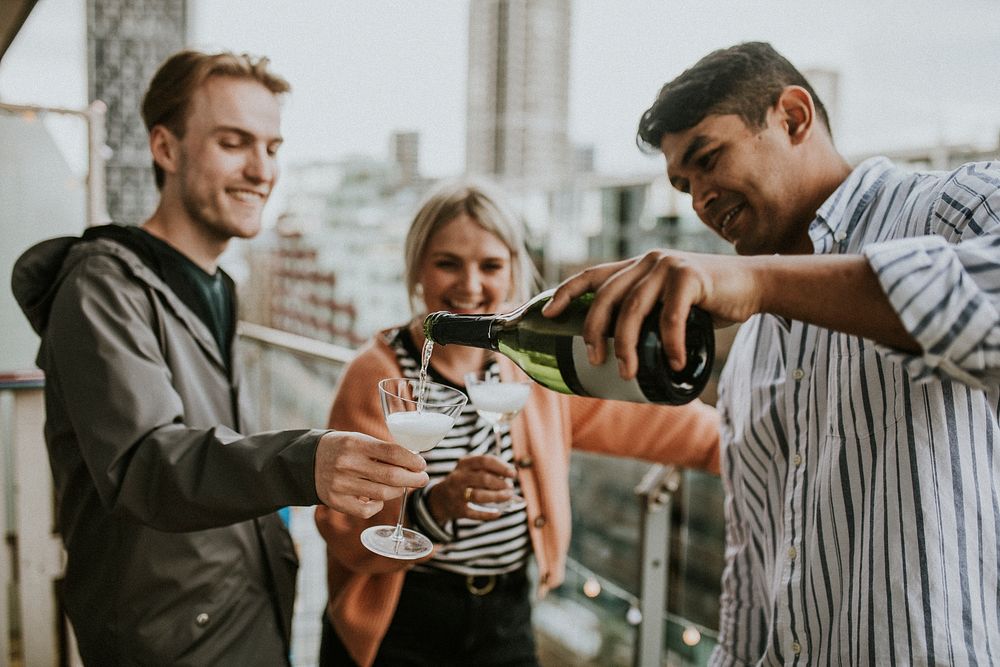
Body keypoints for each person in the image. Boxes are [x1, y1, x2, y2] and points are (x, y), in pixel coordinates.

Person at [543, 41, 1000, 665]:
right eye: (683, 184)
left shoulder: (953, 206)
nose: (699, 199)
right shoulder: (754, 341)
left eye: (709, 159)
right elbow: (754, 569)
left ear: (793, 117)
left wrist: (757, 281)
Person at [11, 50, 428, 667]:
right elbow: (143, 463)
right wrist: (304, 462)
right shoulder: (101, 287)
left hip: (241, 611)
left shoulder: (217, 285)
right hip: (168, 637)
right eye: (235, 143)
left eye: (273, 147)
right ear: (166, 149)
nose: (262, 169)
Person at [313, 178, 721, 666]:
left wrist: (750, 444)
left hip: (506, 614)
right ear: (417, 268)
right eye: (448, 263)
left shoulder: (526, 370)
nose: (470, 285)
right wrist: (439, 504)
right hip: (404, 617)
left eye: (490, 265)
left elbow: (656, 424)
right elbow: (342, 527)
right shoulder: (376, 374)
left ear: (512, 272)